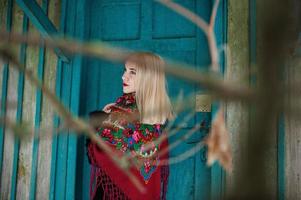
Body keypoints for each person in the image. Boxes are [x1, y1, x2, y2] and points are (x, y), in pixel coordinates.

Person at [86, 52, 173, 200]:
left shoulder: (121, 114)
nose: (124, 77)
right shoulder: (158, 120)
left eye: (132, 72)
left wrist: (99, 119)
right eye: (125, 70)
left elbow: (95, 154)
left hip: (111, 195)